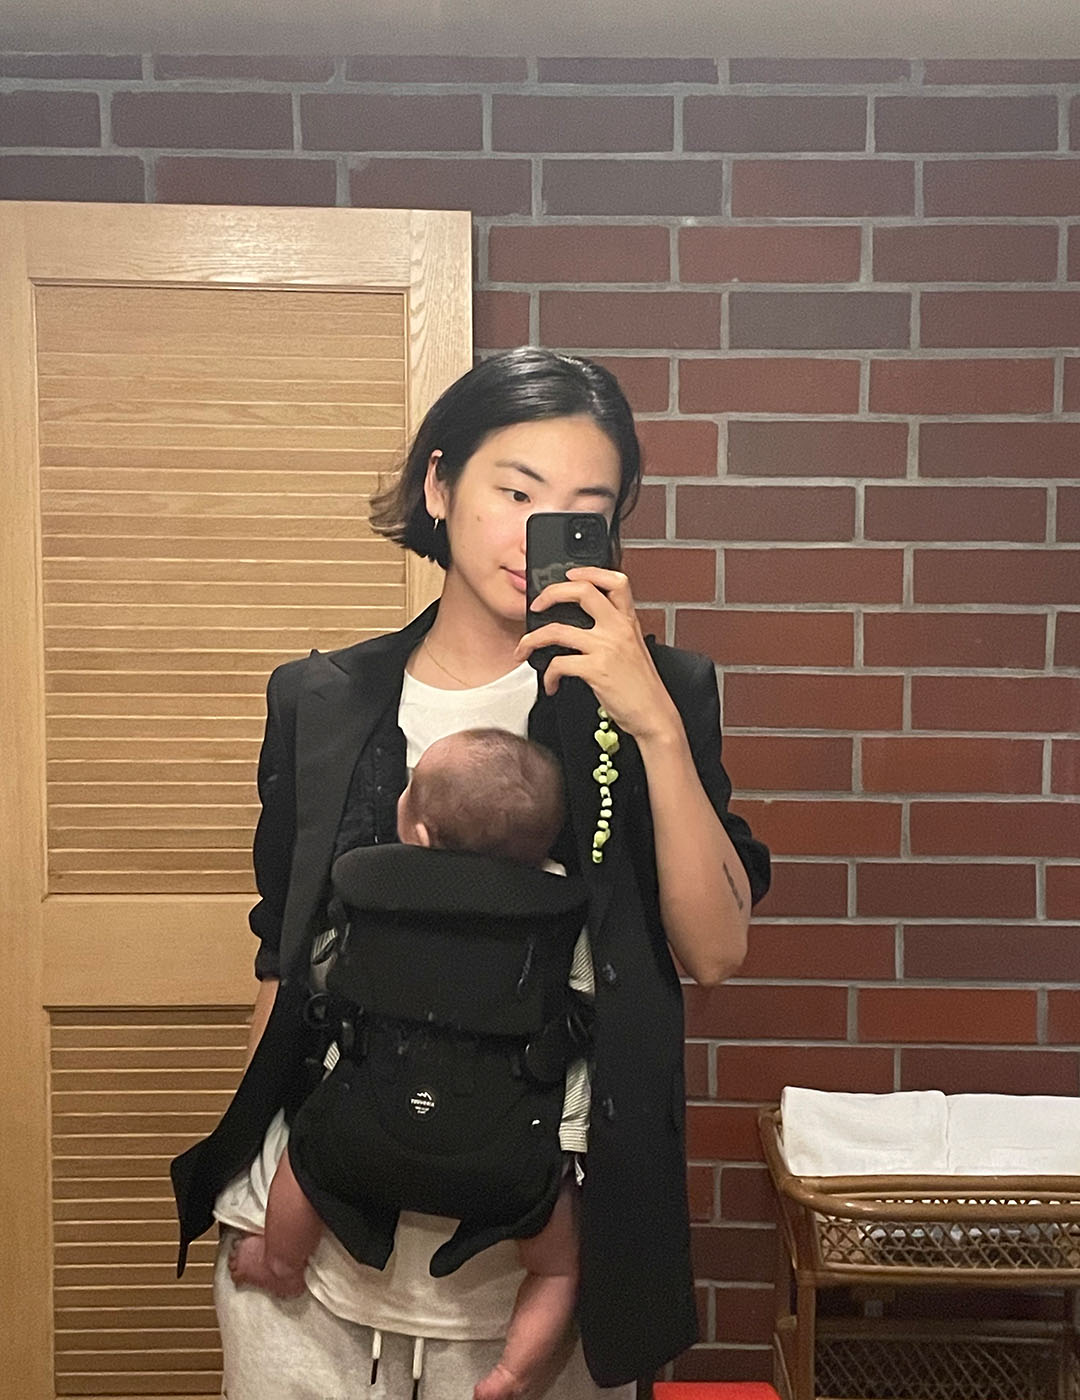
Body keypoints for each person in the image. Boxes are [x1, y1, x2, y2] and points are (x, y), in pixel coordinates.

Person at [171, 346, 771, 1400]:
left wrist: (655, 728)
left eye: (587, 507)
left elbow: (715, 950)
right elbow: (284, 953)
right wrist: (248, 1182)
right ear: (440, 485)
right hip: (308, 1259)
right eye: (517, 492)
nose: (540, 530)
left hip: (535, 1270)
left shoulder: (660, 698)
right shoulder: (321, 698)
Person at [228, 728, 584, 1400]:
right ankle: (513, 1372)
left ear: (418, 832)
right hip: (508, 1142)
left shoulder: (373, 889)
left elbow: (322, 969)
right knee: (558, 1261)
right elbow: (587, 997)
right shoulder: (560, 908)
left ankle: (279, 1261)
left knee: (302, 1162)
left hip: (367, 1117)